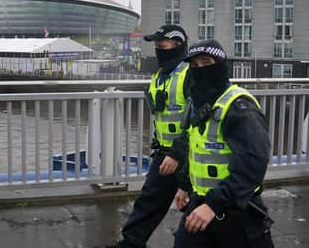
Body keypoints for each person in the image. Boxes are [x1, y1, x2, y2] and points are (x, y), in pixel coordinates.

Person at [173, 40, 274, 248]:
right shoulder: (197, 101)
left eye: (206, 62)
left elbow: (253, 163)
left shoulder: (238, 106)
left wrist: (214, 205)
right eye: (194, 65)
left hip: (237, 210)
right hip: (200, 203)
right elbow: (196, 146)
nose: (200, 69)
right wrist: (184, 185)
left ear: (220, 65)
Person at [100, 25, 191, 248]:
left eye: (162, 45)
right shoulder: (161, 75)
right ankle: (130, 244)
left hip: (188, 156)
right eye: (156, 45)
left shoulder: (191, 74)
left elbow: (198, 122)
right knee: (148, 202)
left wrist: (178, 153)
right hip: (164, 153)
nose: (158, 49)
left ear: (178, 45)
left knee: (195, 210)